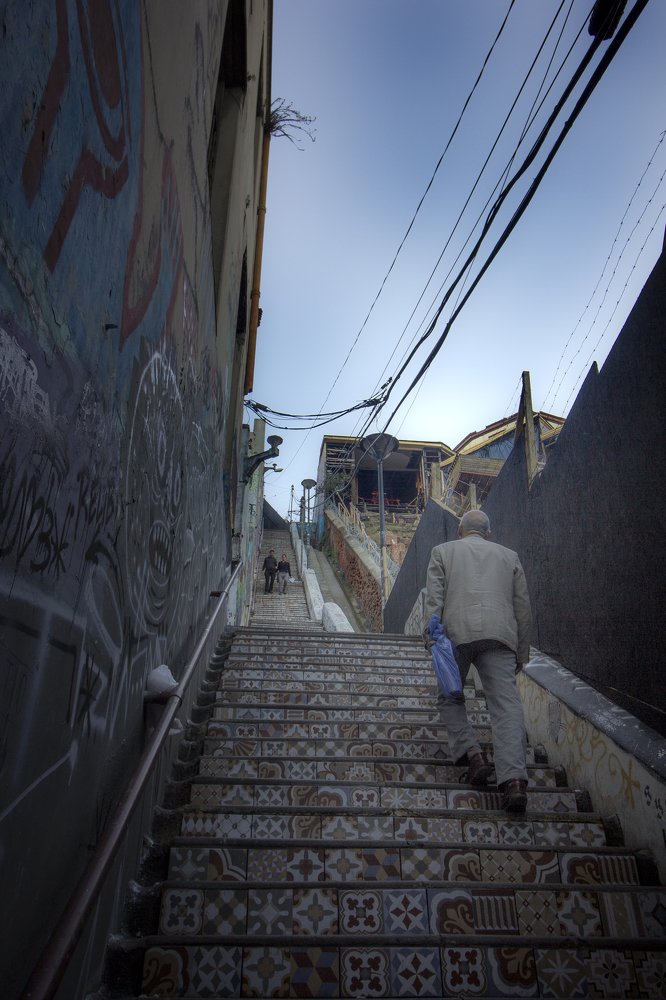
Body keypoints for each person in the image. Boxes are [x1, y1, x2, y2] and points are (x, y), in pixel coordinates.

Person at [423, 509, 532, 813]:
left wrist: (430, 638)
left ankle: (473, 755)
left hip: (455, 635)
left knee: (450, 697)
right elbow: (523, 608)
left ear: (460, 531)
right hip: (500, 637)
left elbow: (434, 599)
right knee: (506, 707)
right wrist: (521, 653)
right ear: (488, 533)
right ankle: (514, 782)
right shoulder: (509, 557)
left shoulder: (443, 551)